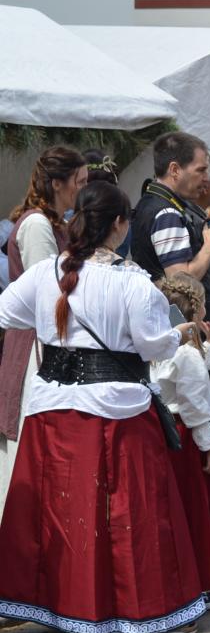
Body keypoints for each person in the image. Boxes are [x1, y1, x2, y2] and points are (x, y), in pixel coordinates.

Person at [0, 181, 204, 633]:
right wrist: (181, 332)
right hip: (115, 409)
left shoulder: (45, 273)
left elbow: (6, 313)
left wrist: (55, 324)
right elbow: (153, 345)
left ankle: (59, 608)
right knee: (126, 512)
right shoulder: (134, 283)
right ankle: (136, 611)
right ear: (119, 224)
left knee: (57, 510)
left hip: (52, 405)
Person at [0, 146, 87, 510]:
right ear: (57, 183)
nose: (82, 189)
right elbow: (47, 289)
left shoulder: (54, 222)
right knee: (27, 448)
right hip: (34, 345)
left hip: (44, 339)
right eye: (78, 182)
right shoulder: (37, 224)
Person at [153, 273, 210, 608]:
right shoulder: (185, 353)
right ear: (198, 310)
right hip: (187, 434)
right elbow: (195, 399)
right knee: (196, 507)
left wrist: (207, 349)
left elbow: (172, 381)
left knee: (174, 506)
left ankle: (181, 580)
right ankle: (203, 584)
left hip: (164, 430)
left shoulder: (159, 343)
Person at [129, 131, 210, 318]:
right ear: (175, 170)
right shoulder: (167, 214)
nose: (206, 178)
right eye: (200, 170)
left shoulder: (151, 200)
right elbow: (180, 283)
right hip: (176, 324)